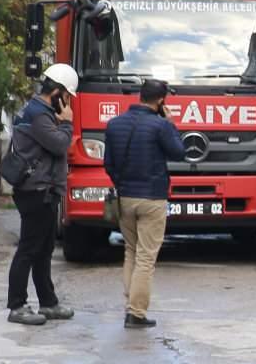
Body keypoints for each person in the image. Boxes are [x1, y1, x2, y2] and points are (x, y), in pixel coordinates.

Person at [104, 79, 185, 329]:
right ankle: (136, 313)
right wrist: (172, 125)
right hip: (152, 198)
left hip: (125, 197)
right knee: (146, 258)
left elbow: (108, 163)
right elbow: (178, 152)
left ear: (141, 95)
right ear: (161, 101)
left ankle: (132, 303)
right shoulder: (161, 126)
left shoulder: (114, 124)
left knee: (131, 251)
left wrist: (122, 182)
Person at [6, 64, 79, 325]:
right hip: (36, 190)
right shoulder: (39, 114)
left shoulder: (38, 110)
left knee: (44, 248)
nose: (69, 101)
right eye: (68, 95)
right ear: (58, 92)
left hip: (42, 189)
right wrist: (68, 123)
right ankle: (17, 306)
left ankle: (48, 303)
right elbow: (60, 144)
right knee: (29, 248)